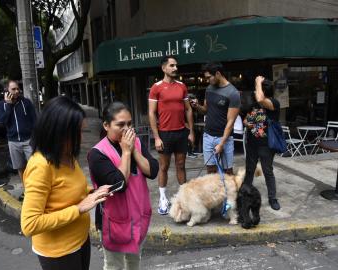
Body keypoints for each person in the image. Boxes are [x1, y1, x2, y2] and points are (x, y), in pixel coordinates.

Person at [21, 96, 110, 270]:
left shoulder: (67, 155)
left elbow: (70, 190)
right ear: (58, 132)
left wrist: (94, 192)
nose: (81, 139)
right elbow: (29, 224)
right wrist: (79, 209)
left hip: (80, 240)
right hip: (58, 252)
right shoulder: (40, 166)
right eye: (76, 133)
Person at [88, 101, 158, 270]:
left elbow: (153, 170)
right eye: (120, 125)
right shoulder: (97, 154)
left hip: (138, 216)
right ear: (106, 125)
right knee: (114, 265)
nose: (127, 129)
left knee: (134, 262)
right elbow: (119, 184)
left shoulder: (137, 143)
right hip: (113, 221)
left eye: (129, 124)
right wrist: (126, 152)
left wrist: (134, 150)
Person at [148, 55, 194, 215]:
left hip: (181, 132)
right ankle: (162, 198)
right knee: (164, 167)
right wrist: (157, 137)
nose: (175, 68)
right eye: (172, 65)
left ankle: (184, 198)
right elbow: (152, 113)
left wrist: (191, 132)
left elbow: (188, 109)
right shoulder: (156, 87)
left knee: (181, 165)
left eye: (176, 65)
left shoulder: (182, 86)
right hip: (165, 134)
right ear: (164, 68)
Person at [190, 62, 240, 175]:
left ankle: (227, 193)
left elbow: (230, 122)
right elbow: (205, 110)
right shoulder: (209, 89)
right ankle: (215, 193)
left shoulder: (233, 93)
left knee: (228, 172)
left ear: (217, 73)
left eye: (209, 77)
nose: (207, 80)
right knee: (211, 171)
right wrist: (197, 106)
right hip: (208, 136)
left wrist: (221, 143)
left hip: (225, 138)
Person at [243, 76, 281, 211]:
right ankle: (245, 196)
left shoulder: (274, 103)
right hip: (252, 144)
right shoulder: (253, 105)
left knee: (267, 171)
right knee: (249, 171)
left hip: (266, 145)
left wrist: (258, 81)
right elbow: (246, 120)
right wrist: (247, 122)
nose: (254, 91)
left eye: (257, 89)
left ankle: (272, 198)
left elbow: (260, 98)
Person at [0, 80, 36, 200]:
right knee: (20, 167)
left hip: (28, 140)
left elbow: (35, 120)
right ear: (7, 91)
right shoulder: (1, 105)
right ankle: (27, 190)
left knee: (35, 166)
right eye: (13, 89)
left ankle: (36, 189)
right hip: (13, 141)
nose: (17, 91)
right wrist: (9, 105)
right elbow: (2, 121)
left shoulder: (26, 102)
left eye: (18, 89)